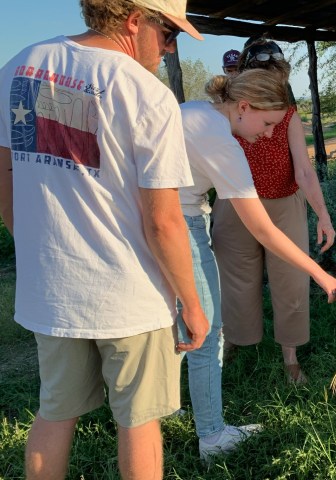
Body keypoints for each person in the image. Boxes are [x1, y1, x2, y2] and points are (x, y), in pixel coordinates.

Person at [0, 1, 209, 478]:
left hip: (49, 291)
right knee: (138, 422)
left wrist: (37, 251)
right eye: (168, 34)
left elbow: (6, 185)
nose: (169, 49)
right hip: (129, 293)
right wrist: (193, 306)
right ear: (135, 21)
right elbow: (164, 223)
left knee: (54, 412)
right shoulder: (146, 94)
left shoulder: (19, 67)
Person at [178, 67, 336, 458]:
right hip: (191, 217)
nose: (270, 133)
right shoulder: (224, 142)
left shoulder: (194, 111)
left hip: (165, 216)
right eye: (267, 123)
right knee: (207, 319)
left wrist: (321, 213)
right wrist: (321, 273)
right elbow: (265, 231)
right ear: (245, 105)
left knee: (177, 317)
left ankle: (167, 408)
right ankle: (212, 434)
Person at [212, 37, 335, 384]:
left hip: (284, 201)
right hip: (235, 203)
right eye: (264, 72)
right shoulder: (228, 110)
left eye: (277, 72)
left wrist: (323, 215)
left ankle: (290, 357)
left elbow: (305, 171)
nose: (272, 79)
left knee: (291, 280)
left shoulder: (287, 114)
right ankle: (235, 340)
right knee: (235, 278)